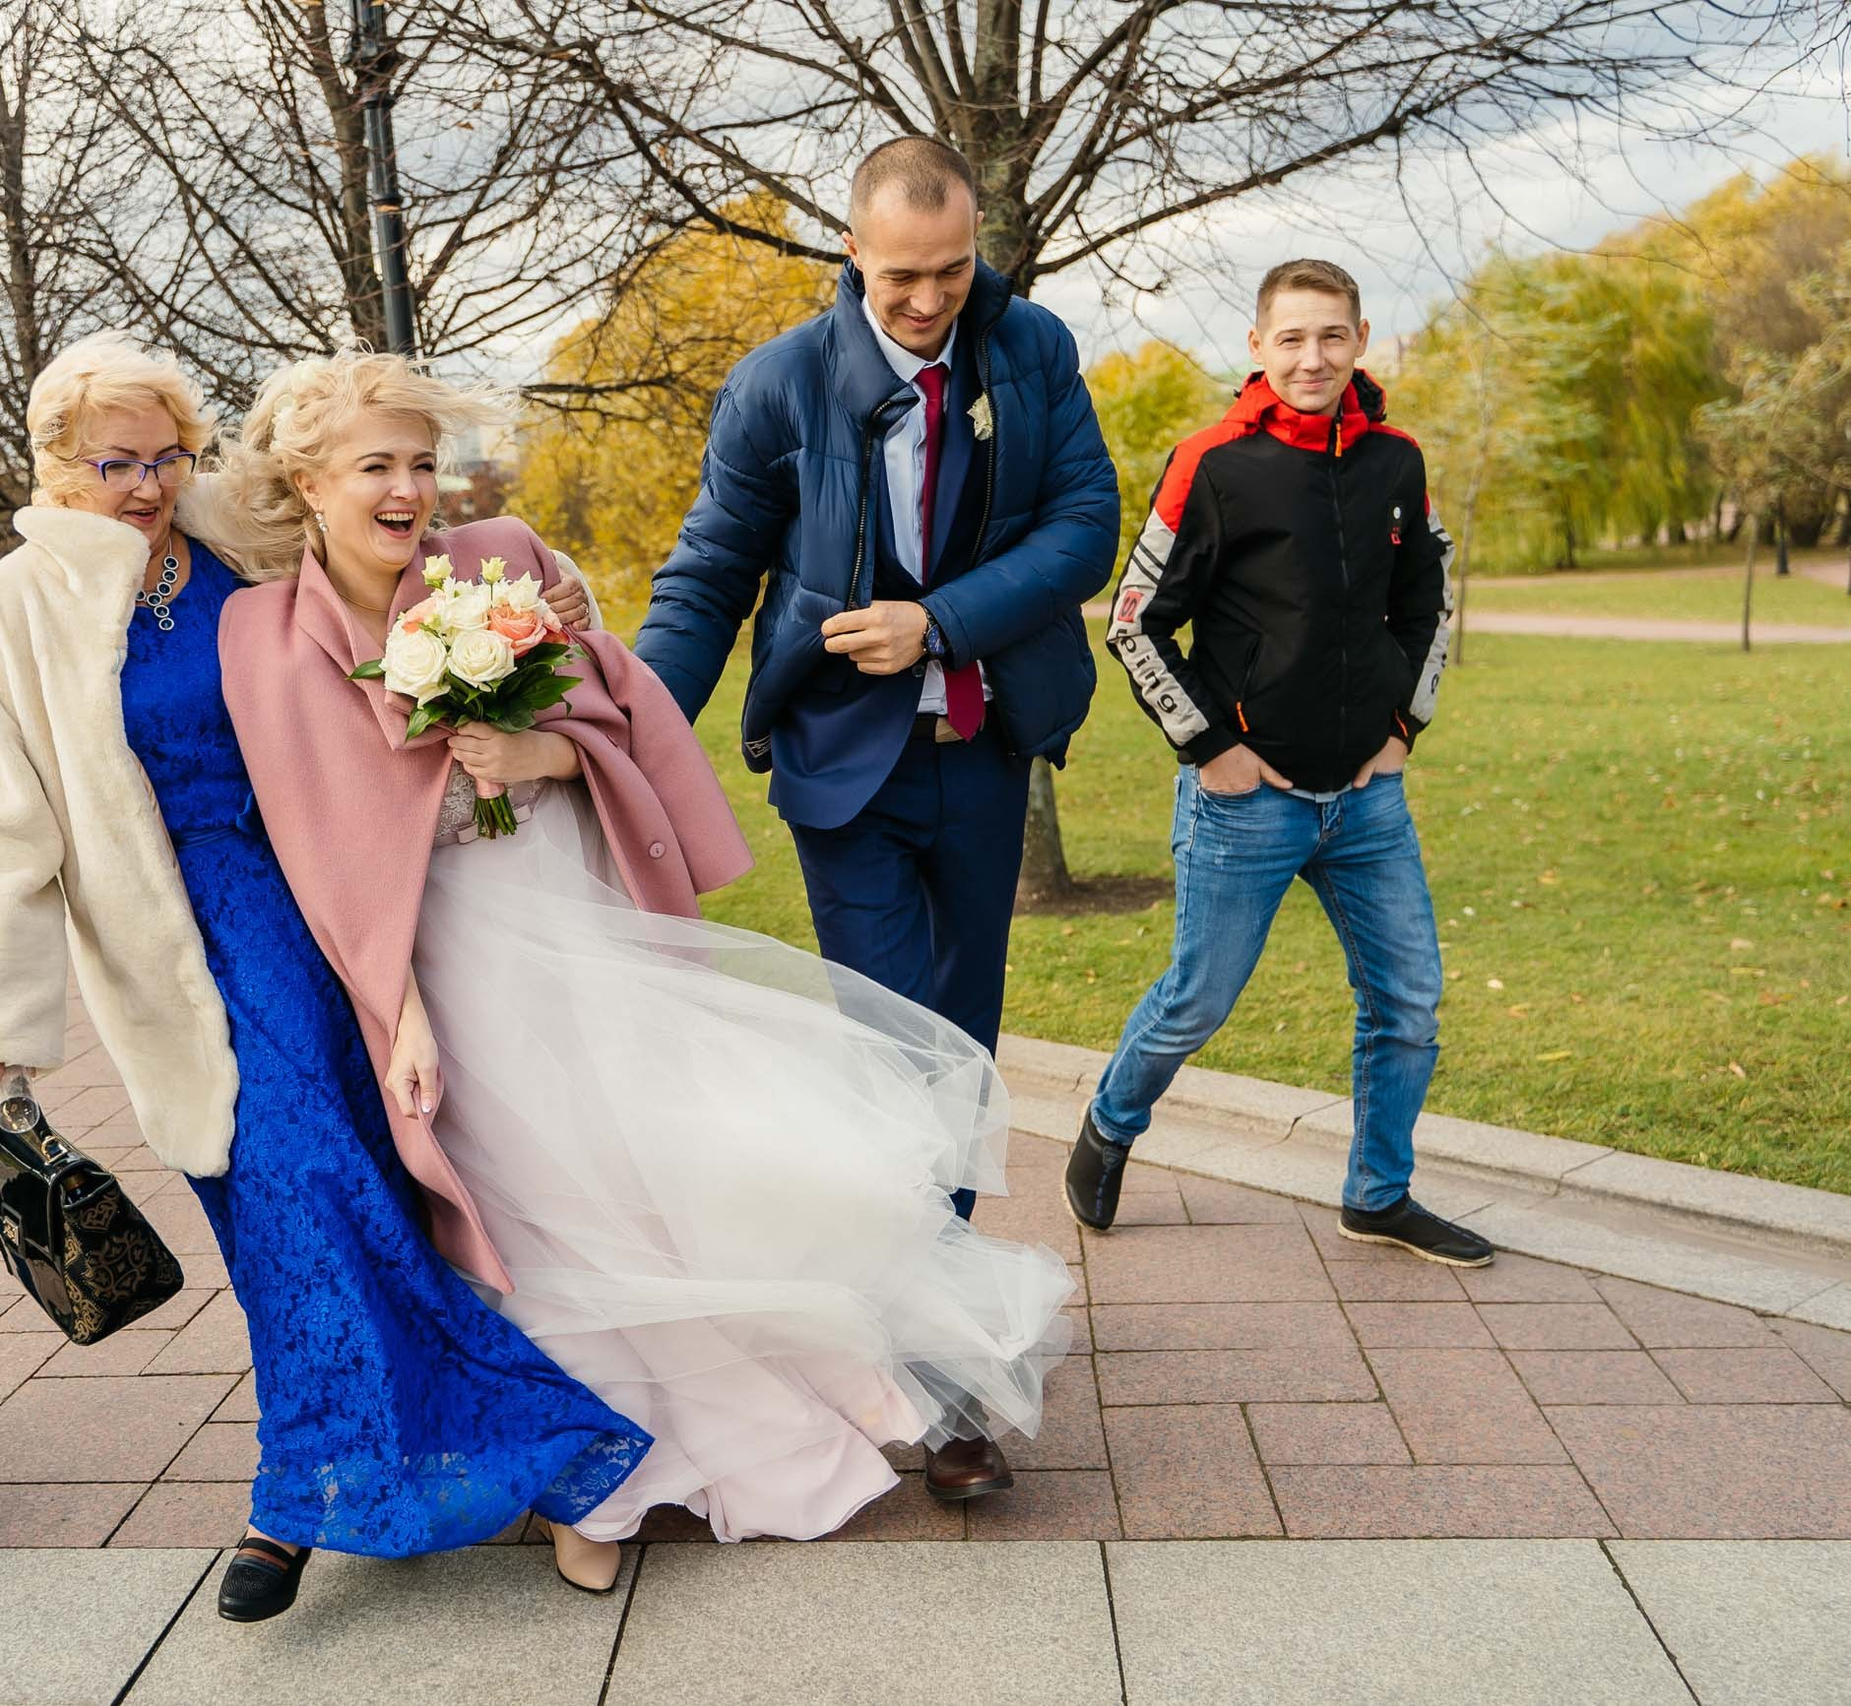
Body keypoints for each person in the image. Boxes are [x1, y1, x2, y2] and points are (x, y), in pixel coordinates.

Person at [209, 351, 1073, 1567]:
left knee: (640, 1170)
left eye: (419, 463)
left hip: (567, 907)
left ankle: (743, 1417)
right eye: (375, 467)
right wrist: (396, 1008)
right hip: (443, 951)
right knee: (530, 1206)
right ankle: (599, 1480)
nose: (408, 490)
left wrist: (541, 760)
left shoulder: (498, 559)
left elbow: (615, 710)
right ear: (307, 481)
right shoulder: (261, 632)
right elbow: (314, 835)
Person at [0, 331, 645, 1624]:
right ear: (52, 464)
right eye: (116, 463)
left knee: (364, 1185)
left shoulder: (238, 539)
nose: (149, 484)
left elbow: (402, 562)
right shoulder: (9, 610)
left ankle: (357, 1480)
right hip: (177, 940)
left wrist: (547, 605)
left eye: (168, 454)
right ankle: (389, 1472)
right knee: (286, 1198)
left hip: (336, 886)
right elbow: (2, 824)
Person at [631, 138, 1117, 1500]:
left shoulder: (1031, 350)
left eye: (952, 269)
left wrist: (940, 621)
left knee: (958, 1055)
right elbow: (710, 573)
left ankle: (922, 1313)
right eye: (901, 274)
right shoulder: (778, 384)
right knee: (896, 1057)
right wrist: (621, 728)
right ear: (851, 251)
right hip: (843, 771)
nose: (927, 299)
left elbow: (1087, 524)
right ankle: (947, 1385)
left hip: (984, 751)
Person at [1068, 258, 1488, 1268]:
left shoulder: (1397, 459)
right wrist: (1210, 747)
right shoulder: (1212, 462)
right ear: (1257, 347)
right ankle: (1110, 1123)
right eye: (1291, 338)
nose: (1313, 356)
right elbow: (1133, 621)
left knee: (1410, 1000)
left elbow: (1427, 606)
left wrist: (1402, 731)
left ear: (1360, 339)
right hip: (1244, 803)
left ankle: (1378, 1194)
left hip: (1366, 798)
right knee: (1197, 999)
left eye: (1331, 336)